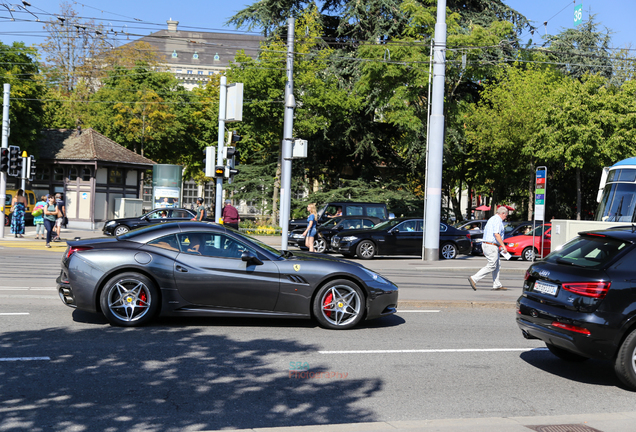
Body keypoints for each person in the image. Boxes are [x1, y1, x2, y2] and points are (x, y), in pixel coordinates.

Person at [468, 206, 509, 291]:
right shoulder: (497, 220)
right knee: (492, 265)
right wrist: (503, 245)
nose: (506, 217)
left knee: (497, 265)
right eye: (506, 215)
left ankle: (497, 284)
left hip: (488, 244)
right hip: (491, 245)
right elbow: (496, 234)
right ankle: (474, 278)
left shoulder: (492, 219)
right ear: (503, 213)